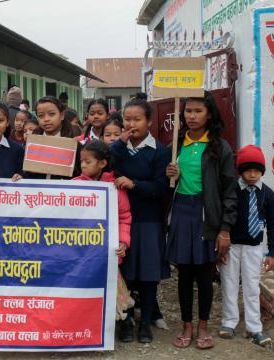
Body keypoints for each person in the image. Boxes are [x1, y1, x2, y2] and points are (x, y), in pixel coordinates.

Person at [165, 91, 237, 350]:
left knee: (205, 273)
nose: (192, 116)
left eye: (198, 111)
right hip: (182, 211)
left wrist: (225, 229)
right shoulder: (175, 144)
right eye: (188, 111)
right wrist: (169, 174)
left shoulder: (219, 147)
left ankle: (204, 327)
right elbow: (165, 186)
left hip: (207, 214)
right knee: (184, 273)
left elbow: (230, 190)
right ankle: (187, 326)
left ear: (209, 115)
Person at [110, 94, 169, 344]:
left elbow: (160, 187)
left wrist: (134, 185)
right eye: (127, 119)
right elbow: (107, 164)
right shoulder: (120, 148)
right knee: (125, 273)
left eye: (137, 119)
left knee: (147, 274)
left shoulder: (160, 151)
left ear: (149, 123)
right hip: (122, 219)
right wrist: (119, 143)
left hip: (148, 220)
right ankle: (126, 321)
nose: (131, 124)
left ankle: (145, 324)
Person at [219, 145, 274, 346]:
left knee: (252, 287)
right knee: (229, 284)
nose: (252, 175)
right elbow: (222, 218)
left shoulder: (267, 194)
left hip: (254, 248)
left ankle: (254, 327)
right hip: (232, 246)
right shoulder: (232, 190)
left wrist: (273, 253)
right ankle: (229, 322)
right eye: (247, 170)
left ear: (262, 171)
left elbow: (272, 223)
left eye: (256, 170)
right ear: (240, 170)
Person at [26, 96, 80, 179]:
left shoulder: (74, 145)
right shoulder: (31, 144)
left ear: (62, 115)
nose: (46, 119)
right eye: (41, 115)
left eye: (52, 114)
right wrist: (21, 175)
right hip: (37, 191)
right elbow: (27, 173)